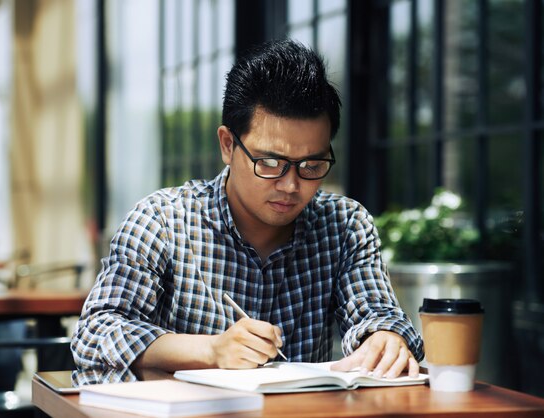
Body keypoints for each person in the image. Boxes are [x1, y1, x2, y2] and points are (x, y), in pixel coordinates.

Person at [71, 39, 424, 382]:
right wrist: (211, 351)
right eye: (270, 163)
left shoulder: (345, 225)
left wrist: (384, 337)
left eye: (312, 165)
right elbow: (96, 333)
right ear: (228, 145)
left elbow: (374, 311)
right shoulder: (163, 221)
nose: (291, 185)